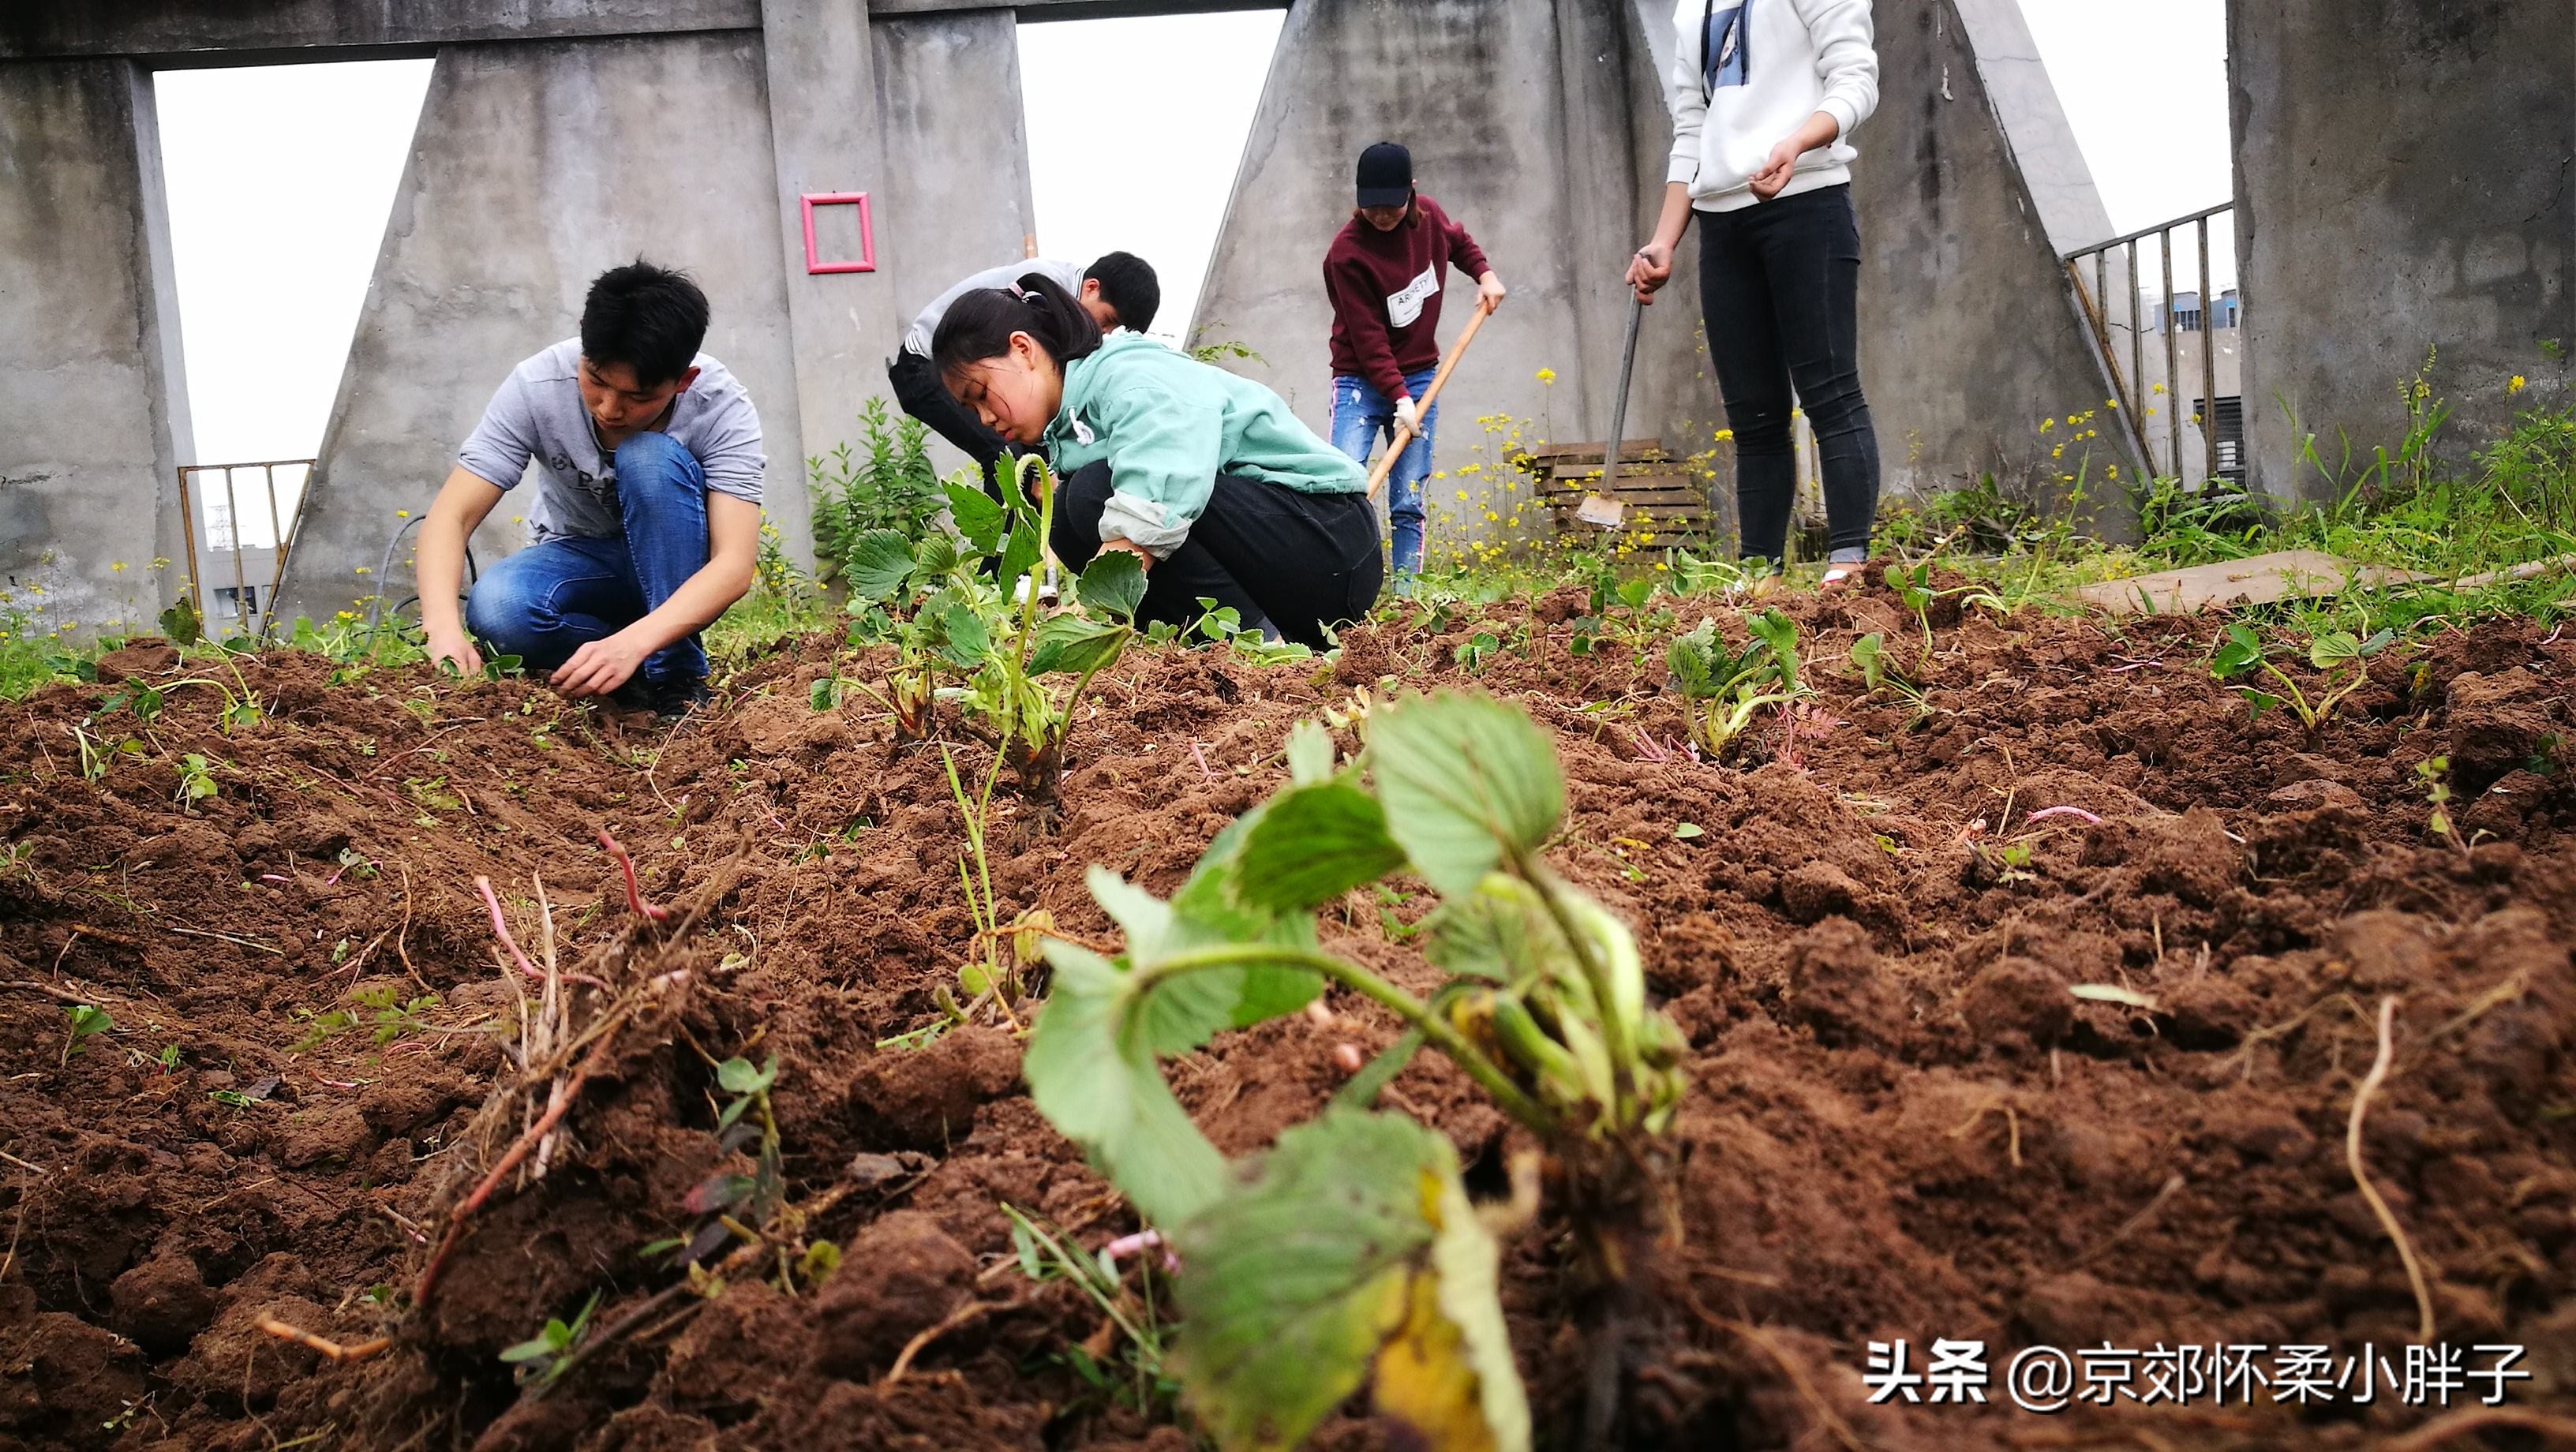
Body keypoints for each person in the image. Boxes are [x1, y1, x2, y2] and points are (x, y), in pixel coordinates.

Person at [934, 274, 1380, 649]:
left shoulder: (1127, 375)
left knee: (1094, 492)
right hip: (1288, 570)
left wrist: (1088, 613)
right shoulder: (1075, 422)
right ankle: (1228, 645)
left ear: (1023, 349)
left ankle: (1259, 648)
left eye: (981, 395)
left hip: (1331, 542)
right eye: (970, 412)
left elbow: (1165, 479)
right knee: (1073, 514)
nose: (985, 419)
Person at [417, 261, 762, 717]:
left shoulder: (720, 406)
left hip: (676, 566)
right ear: (583, 337)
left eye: (638, 397)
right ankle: (626, 666)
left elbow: (735, 564)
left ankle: (676, 674)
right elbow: (452, 515)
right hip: (581, 558)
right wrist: (442, 629)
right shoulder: (536, 385)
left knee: (647, 457)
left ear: (683, 380)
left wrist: (636, 641)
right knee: (500, 609)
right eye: (596, 381)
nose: (609, 408)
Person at [1626, 0, 1881, 585]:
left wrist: (1797, 143)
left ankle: (1848, 567)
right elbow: (1691, 126)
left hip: (1808, 202)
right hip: (1721, 222)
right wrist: (1665, 239)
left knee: (1831, 393)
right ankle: (1759, 573)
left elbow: (1856, 80)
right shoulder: (1693, 9)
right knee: (1754, 416)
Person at [1324, 141, 1506, 587]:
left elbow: (1458, 243)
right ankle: (1342, 591)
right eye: (1373, 208)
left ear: (1411, 194)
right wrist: (1399, 396)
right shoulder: (1346, 255)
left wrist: (1484, 275)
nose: (1383, 217)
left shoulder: (1429, 218)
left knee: (1408, 497)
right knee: (1344, 487)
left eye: (1392, 206)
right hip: (1359, 381)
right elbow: (1368, 341)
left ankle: (1408, 599)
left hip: (1421, 373)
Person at [889, 252, 1159, 496]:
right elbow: (1022, 386)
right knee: (1004, 458)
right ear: (1091, 288)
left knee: (1028, 463)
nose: (1106, 333)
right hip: (920, 368)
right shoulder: (1044, 291)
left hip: (961, 370)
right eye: (1109, 321)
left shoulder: (1063, 303)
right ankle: (1003, 550)